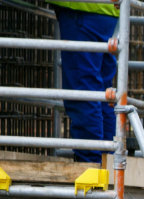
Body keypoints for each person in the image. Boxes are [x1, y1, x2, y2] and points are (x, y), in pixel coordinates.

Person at [51, 0, 119, 163]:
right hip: (107, 10)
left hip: (82, 8)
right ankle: (107, 164)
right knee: (102, 92)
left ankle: (90, 165)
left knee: (83, 90)